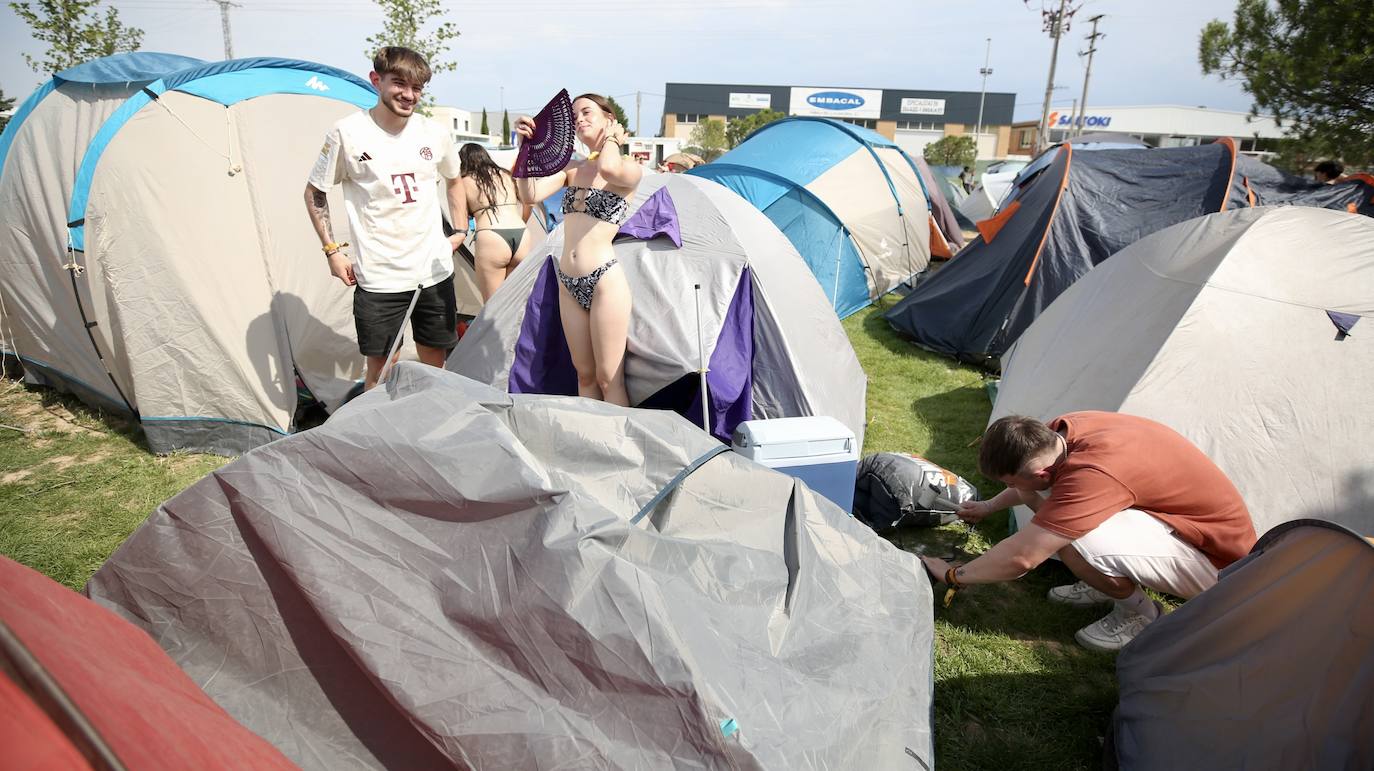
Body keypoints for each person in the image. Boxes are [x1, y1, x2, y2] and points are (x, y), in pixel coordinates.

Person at [919, 412, 1257, 652]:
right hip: (1178, 528)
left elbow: (1024, 556)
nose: (1009, 488)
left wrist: (953, 575)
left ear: (1041, 472)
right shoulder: (1059, 434)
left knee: (1076, 541)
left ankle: (1141, 614)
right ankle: (1106, 581)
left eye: (1008, 482)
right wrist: (990, 506)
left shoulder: (1094, 474)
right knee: (1064, 523)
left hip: (1222, 568)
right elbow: (1029, 488)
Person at [304, 46, 464, 391]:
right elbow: (314, 192)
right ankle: (372, 442)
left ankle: (428, 435)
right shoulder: (347, 133)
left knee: (435, 366)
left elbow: (455, 178)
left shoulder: (434, 132)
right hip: (380, 275)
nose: (408, 95)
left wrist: (461, 229)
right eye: (399, 84)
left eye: (417, 88)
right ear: (376, 80)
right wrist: (332, 251)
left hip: (434, 271)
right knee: (381, 369)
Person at [513, 94, 642, 406]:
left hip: (604, 281)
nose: (579, 119)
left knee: (608, 377)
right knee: (584, 376)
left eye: (587, 112)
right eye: (574, 115)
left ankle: (618, 448)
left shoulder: (630, 168)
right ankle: (593, 442)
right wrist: (525, 146)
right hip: (567, 282)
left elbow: (609, 169)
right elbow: (529, 193)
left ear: (610, 119)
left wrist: (612, 137)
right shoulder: (572, 169)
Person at [452, 143, 532, 301]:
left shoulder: (464, 181)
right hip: (521, 233)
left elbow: (462, 219)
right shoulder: (506, 174)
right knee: (516, 304)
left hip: (492, 236)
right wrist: (521, 221)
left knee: (492, 307)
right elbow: (529, 202)